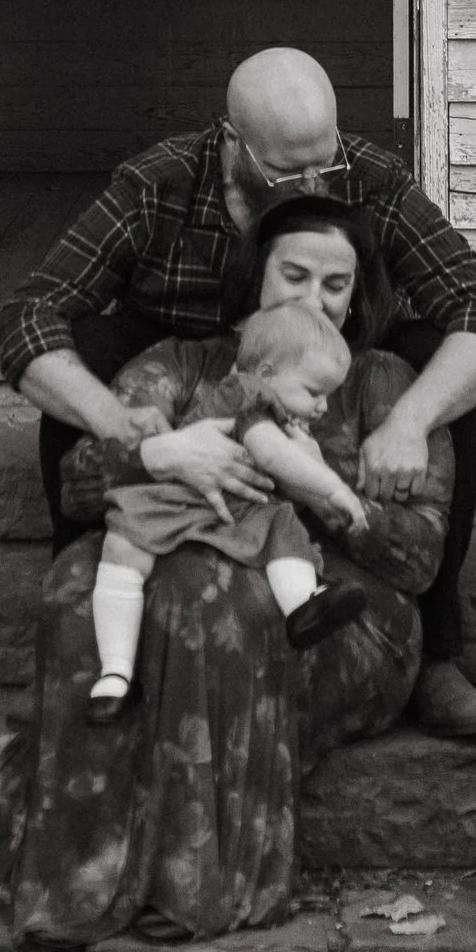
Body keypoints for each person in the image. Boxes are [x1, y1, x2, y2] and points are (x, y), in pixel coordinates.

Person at [0, 199, 450, 941]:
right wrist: (153, 453)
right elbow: (80, 483)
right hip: (173, 553)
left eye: (335, 284)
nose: (313, 299)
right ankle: (79, 870)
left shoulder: (381, 384)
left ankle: (201, 883)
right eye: (294, 274)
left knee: (218, 606)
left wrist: (322, 495)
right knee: (82, 591)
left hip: (335, 602)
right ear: (254, 274)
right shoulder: (179, 364)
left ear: (358, 292)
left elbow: (420, 558)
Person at [0, 45, 476, 740]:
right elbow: (29, 314)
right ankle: (87, 634)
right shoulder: (159, 183)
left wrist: (410, 423)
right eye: (288, 169)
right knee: (82, 350)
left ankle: (437, 651)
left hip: (331, 372)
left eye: (323, 163)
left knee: (446, 362)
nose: (313, 181)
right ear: (234, 143)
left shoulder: (368, 175)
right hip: (184, 364)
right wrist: (125, 425)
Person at [87, 300, 370, 715]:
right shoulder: (248, 394)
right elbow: (270, 455)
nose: (324, 406)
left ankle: (304, 607)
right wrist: (335, 488)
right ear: (268, 374)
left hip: (232, 507)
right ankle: (114, 671)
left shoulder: (277, 409)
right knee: (124, 548)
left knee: (281, 525)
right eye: (315, 392)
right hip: (182, 498)